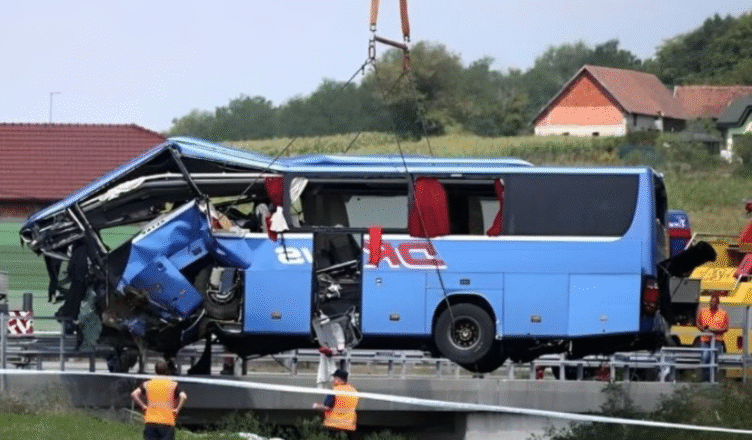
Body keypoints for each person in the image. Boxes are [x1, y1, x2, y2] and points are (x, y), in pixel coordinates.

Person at [131, 361, 188, 440]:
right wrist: (177, 409)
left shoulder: (147, 383)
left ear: (155, 371)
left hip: (150, 420)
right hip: (167, 421)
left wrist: (143, 406)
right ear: (167, 371)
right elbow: (184, 397)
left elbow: (134, 394)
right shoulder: (173, 384)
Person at [313, 369, 359, 439]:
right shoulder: (354, 391)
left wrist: (316, 406)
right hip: (349, 426)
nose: (332, 380)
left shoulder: (334, 391)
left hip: (333, 425)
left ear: (339, 379)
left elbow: (327, 407)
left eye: (334, 378)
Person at [696, 292, 728, 382]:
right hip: (705, 340)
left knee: (715, 360)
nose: (712, 303)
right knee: (705, 358)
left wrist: (714, 330)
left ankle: (714, 380)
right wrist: (704, 329)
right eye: (711, 301)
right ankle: (705, 380)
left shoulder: (723, 313)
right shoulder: (703, 312)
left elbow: (726, 328)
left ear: (718, 303)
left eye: (714, 302)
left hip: (717, 341)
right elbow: (698, 324)